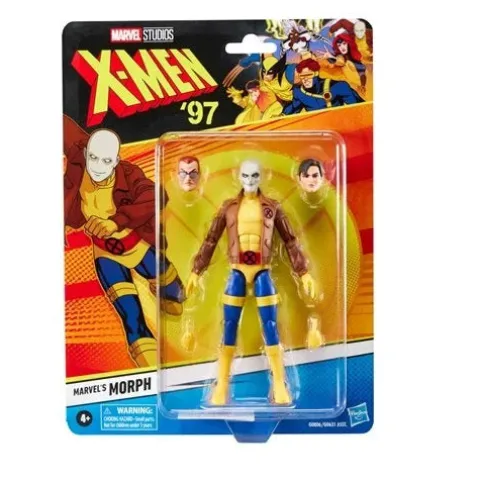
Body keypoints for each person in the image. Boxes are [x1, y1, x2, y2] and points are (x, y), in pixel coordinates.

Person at [185, 160, 322, 406]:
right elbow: (210, 240)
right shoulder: (228, 207)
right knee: (229, 326)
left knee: (270, 325)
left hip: (262, 271)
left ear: (261, 177)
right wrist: (197, 271)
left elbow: (291, 241)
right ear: (239, 177)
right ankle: (221, 386)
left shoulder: (272, 207)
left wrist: (304, 273)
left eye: (255, 175)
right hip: (237, 270)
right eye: (246, 175)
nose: (250, 180)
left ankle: (279, 384)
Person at [63, 115, 184, 367]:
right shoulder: (77, 165)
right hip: (106, 256)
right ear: (85, 153)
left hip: (137, 245)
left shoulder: (129, 175)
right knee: (130, 313)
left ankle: (166, 291)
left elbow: (156, 196)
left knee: (175, 293)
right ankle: (146, 359)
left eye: (106, 161)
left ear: (116, 161)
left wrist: (116, 221)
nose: (98, 166)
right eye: (93, 158)